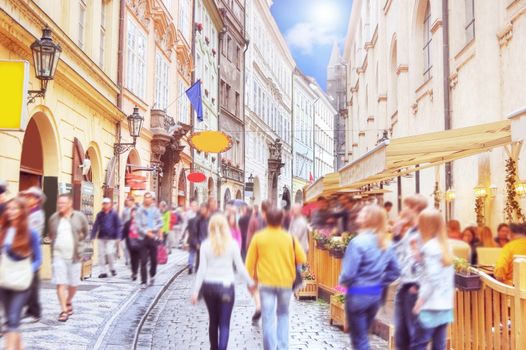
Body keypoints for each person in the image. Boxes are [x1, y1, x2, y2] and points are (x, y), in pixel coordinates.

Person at [339, 205, 400, 350]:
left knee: (360, 340)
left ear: (369, 219)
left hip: (357, 294)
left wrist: (341, 287)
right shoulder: (386, 244)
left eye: (363, 212)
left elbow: (348, 274)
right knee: (364, 335)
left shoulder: (358, 242)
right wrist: (380, 281)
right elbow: (396, 271)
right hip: (375, 295)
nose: (359, 213)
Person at [245, 207, 307, 350]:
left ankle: (270, 347)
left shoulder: (259, 237)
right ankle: (283, 346)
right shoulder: (289, 237)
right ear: (281, 220)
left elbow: (249, 263)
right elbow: (302, 257)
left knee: (267, 317)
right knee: (283, 315)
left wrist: (251, 282)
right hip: (285, 282)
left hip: (266, 283)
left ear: (266, 219)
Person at [191, 214, 255, 350]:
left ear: (210, 228)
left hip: (209, 287)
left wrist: (196, 291)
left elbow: (201, 270)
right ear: (226, 227)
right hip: (226, 288)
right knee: (224, 324)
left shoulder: (205, 245)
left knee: (213, 322)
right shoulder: (232, 244)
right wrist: (250, 283)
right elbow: (240, 267)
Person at [0, 198, 42, 350]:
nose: (10, 211)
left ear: (22, 211)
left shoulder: (31, 234)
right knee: (11, 320)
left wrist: (27, 270)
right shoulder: (3, 231)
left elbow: (38, 259)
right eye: (9, 208)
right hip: (4, 281)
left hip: (22, 282)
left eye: (15, 208)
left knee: (12, 318)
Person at [411, 209, 454, 350]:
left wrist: (421, 299)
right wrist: (419, 259)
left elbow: (431, 279)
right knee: (438, 345)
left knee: (419, 344)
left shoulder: (430, 248)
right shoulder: (446, 246)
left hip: (431, 304)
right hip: (445, 304)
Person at [392, 194, 428, 350]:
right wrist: (396, 237)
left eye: (406, 206)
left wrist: (418, 285)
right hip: (404, 287)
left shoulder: (424, 231)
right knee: (401, 337)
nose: (403, 209)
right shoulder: (410, 232)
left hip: (415, 289)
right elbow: (398, 260)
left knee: (415, 338)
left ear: (414, 208)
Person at [47, 193, 89, 322]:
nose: (60, 205)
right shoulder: (54, 218)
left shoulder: (79, 217)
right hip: (58, 255)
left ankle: (69, 301)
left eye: (63, 203)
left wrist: (80, 246)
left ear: (70, 203)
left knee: (73, 284)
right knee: (60, 283)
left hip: (74, 256)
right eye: (59, 203)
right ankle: (64, 310)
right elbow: (51, 234)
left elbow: (85, 232)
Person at [19, 187, 46, 323]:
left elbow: (31, 233)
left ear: (36, 200)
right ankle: (29, 310)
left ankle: (35, 313)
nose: (27, 198)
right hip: (24, 250)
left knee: (33, 283)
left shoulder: (37, 214)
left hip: (32, 252)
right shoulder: (28, 212)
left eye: (30, 196)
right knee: (28, 282)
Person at [135, 192, 163, 288]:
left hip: (153, 238)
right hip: (143, 238)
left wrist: (155, 230)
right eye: (145, 197)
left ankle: (152, 275)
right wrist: (146, 232)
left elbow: (160, 222)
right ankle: (143, 281)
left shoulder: (155, 211)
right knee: (143, 260)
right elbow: (137, 225)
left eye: (149, 198)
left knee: (154, 260)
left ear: (152, 199)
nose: (147, 199)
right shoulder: (140, 210)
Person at [91, 198, 121, 278]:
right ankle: (103, 271)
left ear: (110, 204)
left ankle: (112, 268)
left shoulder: (114, 214)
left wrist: (118, 236)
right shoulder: (100, 214)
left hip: (111, 237)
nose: (106, 205)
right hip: (101, 236)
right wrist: (93, 235)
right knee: (101, 254)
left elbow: (118, 226)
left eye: (107, 203)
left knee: (109, 252)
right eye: (104, 203)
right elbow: (96, 225)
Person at [188, 203, 211, 273]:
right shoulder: (198, 220)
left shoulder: (210, 220)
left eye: (204, 209)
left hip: (208, 242)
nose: (202, 211)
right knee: (199, 259)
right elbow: (195, 232)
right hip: (200, 242)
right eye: (201, 209)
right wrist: (196, 242)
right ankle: (198, 271)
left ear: (207, 210)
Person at [122, 208, 141, 281]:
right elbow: (124, 232)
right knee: (132, 259)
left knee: (137, 258)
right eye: (133, 213)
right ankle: (134, 272)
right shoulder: (127, 223)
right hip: (130, 243)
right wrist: (121, 238)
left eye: (135, 213)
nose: (134, 214)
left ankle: (135, 272)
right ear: (131, 214)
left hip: (139, 243)